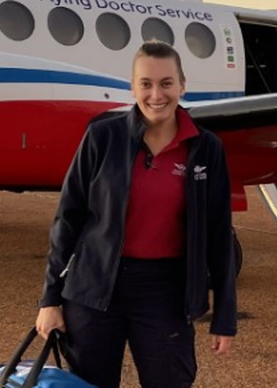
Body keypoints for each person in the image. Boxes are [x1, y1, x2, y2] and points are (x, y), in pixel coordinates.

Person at [36, 40, 238, 388]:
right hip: (94, 288)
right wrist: (50, 298)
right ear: (132, 87)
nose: (156, 94)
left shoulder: (206, 148)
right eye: (145, 84)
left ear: (182, 86)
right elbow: (68, 219)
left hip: (165, 291)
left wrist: (224, 316)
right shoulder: (102, 136)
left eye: (166, 83)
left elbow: (218, 234)